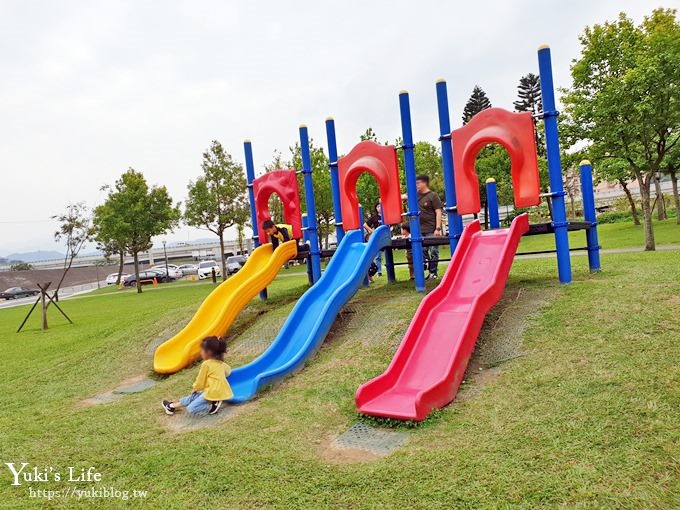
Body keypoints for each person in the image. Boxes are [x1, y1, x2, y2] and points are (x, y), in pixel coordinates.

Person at [162, 336, 233, 416]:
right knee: (193, 397)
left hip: (213, 393)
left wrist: (195, 388)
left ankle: (211, 406)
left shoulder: (206, 364)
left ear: (209, 352)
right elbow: (228, 372)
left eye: (202, 350)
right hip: (214, 390)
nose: (201, 352)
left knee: (191, 408)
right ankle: (171, 406)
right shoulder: (221, 363)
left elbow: (200, 381)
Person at [415, 175, 443, 279]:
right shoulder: (415, 195)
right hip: (419, 229)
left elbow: (438, 211)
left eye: (418, 183)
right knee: (422, 250)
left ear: (424, 183)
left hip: (431, 228)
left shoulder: (433, 196)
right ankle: (426, 266)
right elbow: (404, 196)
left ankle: (433, 272)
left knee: (434, 251)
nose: (416, 185)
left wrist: (438, 228)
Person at [363, 203, 383, 277]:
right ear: (376, 208)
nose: (379, 208)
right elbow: (365, 224)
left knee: (380, 255)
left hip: (385, 236)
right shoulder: (375, 217)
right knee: (378, 256)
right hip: (377, 237)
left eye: (381, 206)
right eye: (378, 206)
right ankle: (379, 271)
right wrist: (372, 231)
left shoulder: (386, 216)